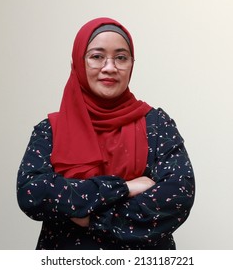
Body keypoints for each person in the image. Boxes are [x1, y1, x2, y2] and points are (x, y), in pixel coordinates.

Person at [17, 17, 195, 250]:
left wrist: (90, 216)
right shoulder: (51, 130)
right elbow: (32, 194)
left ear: (132, 64)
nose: (109, 67)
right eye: (97, 56)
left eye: (121, 57)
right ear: (79, 62)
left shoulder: (156, 124)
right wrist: (125, 188)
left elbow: (178, 195)